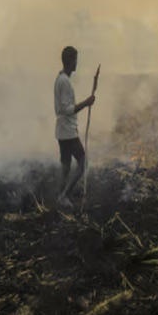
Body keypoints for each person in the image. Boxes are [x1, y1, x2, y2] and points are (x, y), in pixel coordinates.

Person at [54, 46, 95, 208]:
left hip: (62, 130)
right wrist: (86, 103)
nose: (77, 63)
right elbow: (65, 109)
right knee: (83, 162)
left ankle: (60, 195)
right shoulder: (64, 81)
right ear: (70, 61)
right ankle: (64, 195)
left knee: (65, 165)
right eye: (75, 59)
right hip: (68, 131)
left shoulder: (61, 79)